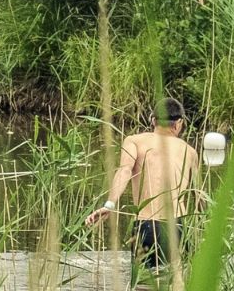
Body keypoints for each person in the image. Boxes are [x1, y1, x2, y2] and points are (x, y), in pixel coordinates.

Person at [84, 98, 201, 270]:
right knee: (175, 286)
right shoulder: (190, 152)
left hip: (147, 226)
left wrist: (109, 205)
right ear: (178, 123)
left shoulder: (135, 141)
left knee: (143, 289)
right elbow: (198, 196)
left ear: (153, 120)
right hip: (178, 227)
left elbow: (124, 171)